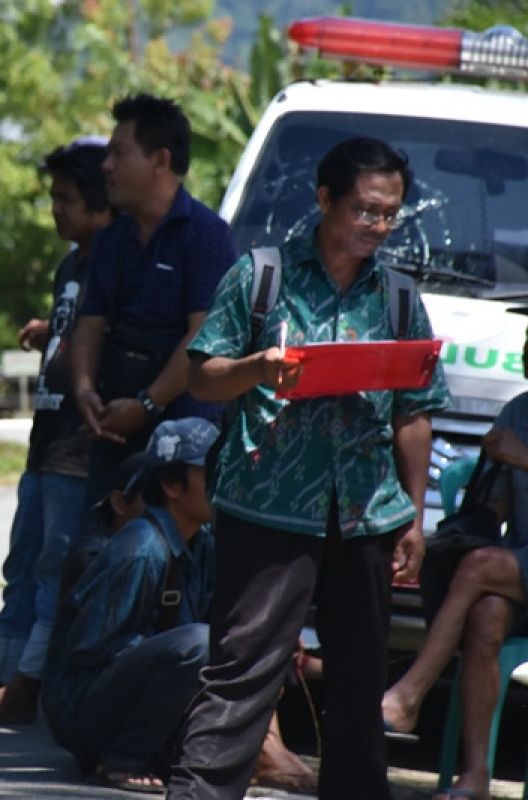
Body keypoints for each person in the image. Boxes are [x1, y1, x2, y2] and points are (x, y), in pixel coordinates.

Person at [167, 137, 452, 799]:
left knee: (358, 682)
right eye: (363, 210)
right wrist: (256, 369)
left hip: (364, 515)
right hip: (267, 508)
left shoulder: (401, 298)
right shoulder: (260, 275)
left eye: (389, 214)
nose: (378, 226)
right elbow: (202, 378)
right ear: (324, 199)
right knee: (243, 669)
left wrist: (412, 514)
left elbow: (414, 414)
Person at [0, 136, 112, 723]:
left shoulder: (115, 264)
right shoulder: (73, 266)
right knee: (22, 563)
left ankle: (27, 682)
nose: (56, 210)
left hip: (78, 448)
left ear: (98, 202)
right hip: (46, 440)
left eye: (65, 199)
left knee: (51, 571)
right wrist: (47, 332)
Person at [69, 93, 237, 511]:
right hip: (115, 430)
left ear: (160, 161)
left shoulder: (206, 235)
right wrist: (85, 391)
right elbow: (88, 324)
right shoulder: (110, 239)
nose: (106, 166)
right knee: (102, 553)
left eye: (118, 153)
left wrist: (148, 404)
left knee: (176, 562)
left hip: (186, 437)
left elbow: (203, 336)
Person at [381, 320, 528, 800]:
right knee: (486, 614)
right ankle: (475, 777)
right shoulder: (517, 413)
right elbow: (498, 510)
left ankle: (410, 693)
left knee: (479, 567)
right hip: (520, 571)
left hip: (509, 568)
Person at [42, 418, 218, 792]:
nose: (223, 483)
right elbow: (91, 650)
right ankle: (123, 757)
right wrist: (166, 653)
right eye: (210, 472)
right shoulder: (140, 548)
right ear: (171, 484)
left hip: (129, 695)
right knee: (198, 646)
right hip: (81, 707)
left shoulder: (203, 543)